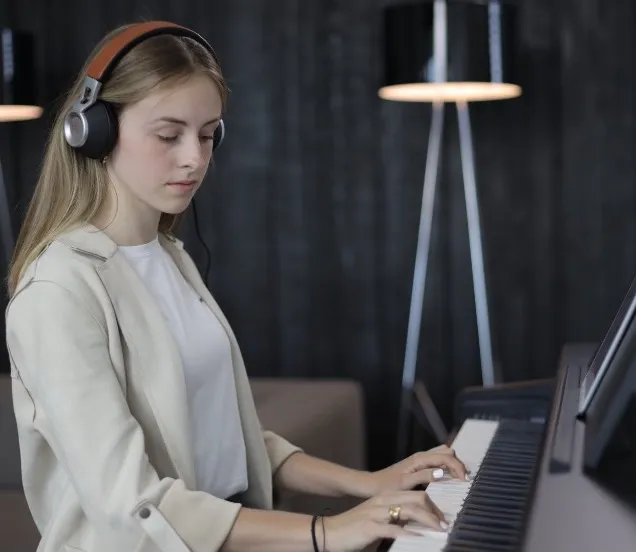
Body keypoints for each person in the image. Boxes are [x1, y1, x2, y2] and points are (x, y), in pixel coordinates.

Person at [5, 21, 468, 552]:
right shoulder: (57, 293)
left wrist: (369, 482)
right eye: (168, 134)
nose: (194, 158)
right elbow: (134, 505)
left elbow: (231, 439)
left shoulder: (170, 258)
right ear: (94, 131)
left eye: (207, 135)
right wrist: (328, 530)